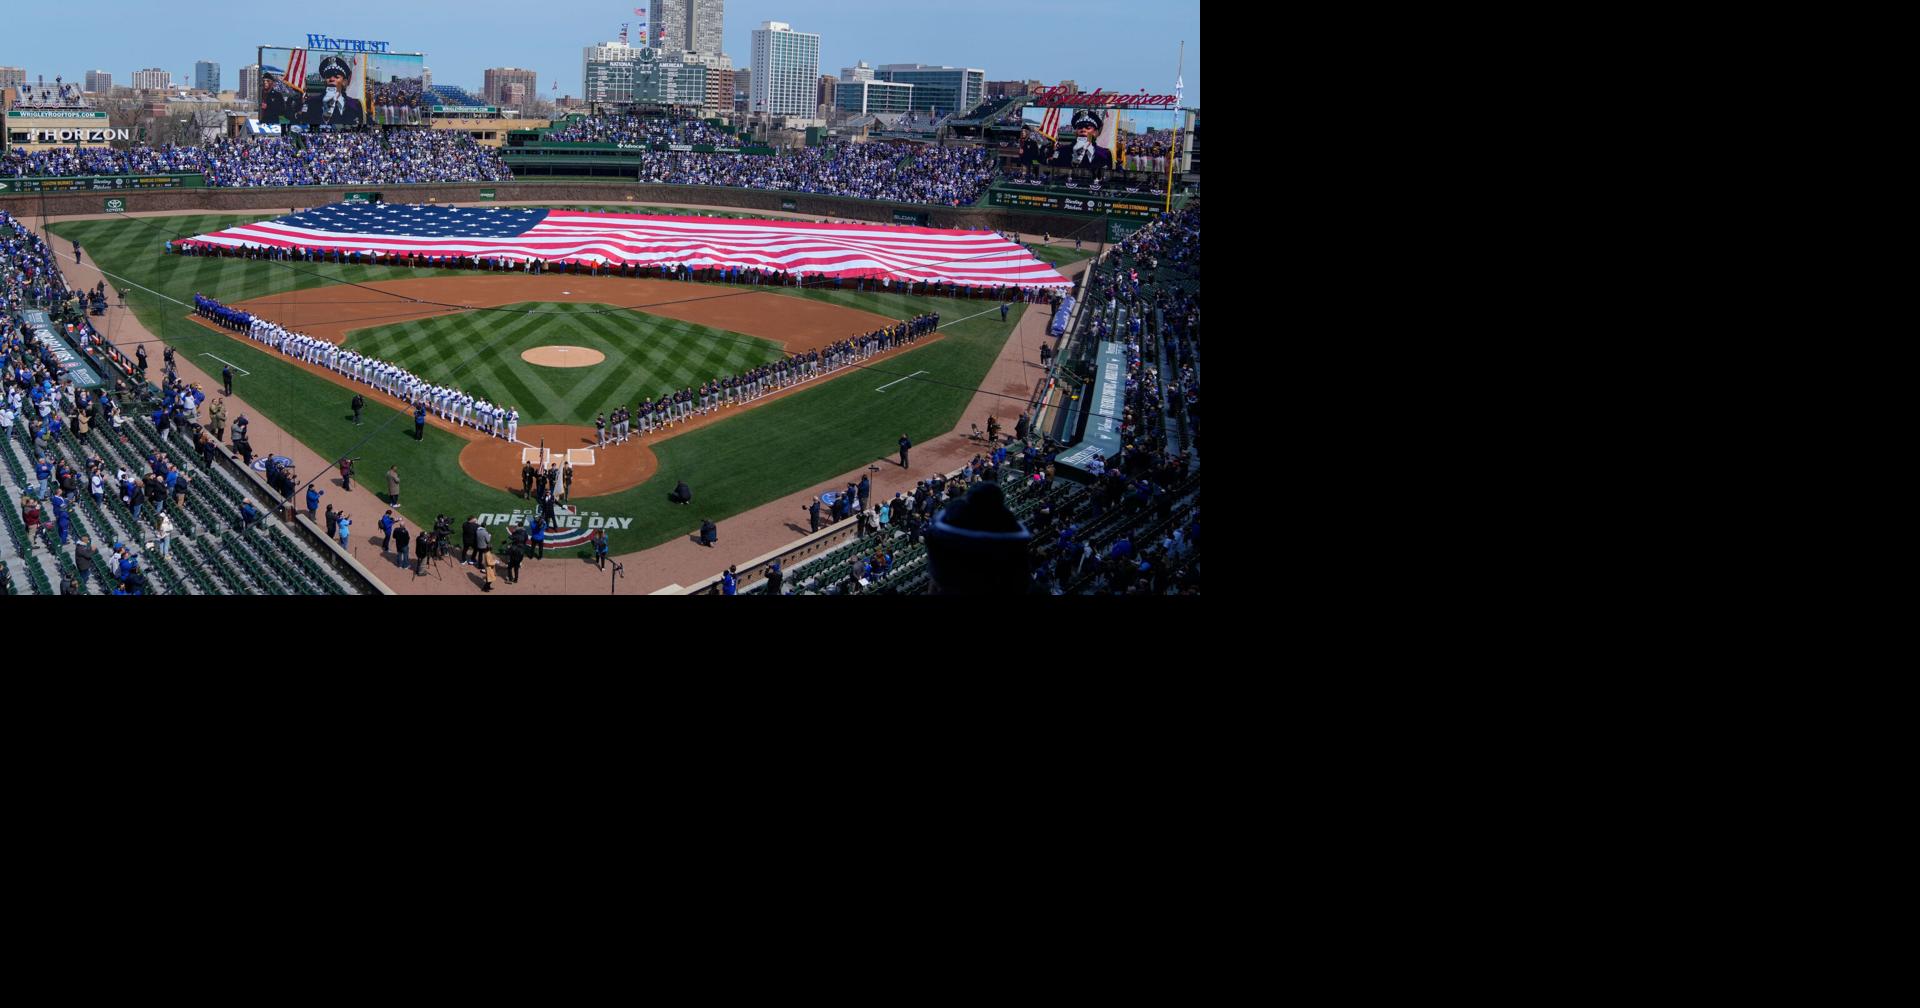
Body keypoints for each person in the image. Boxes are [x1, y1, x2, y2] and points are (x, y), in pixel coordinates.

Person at [299, 56, 365, 126]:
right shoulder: (311, 103)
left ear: (344, 82)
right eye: (328, 76)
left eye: (336, 77)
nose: (331, 79)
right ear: (324, 81)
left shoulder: (356, 104)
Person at [475, 523, 494, 591]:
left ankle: (480, 565)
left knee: (480, 555)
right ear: (485, 526)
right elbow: (488, 540)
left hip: (479, 545)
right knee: (486, 557)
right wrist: (489, 535)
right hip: (484, 546)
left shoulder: (477, 531)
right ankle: (483, 567)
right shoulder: (485, 532)